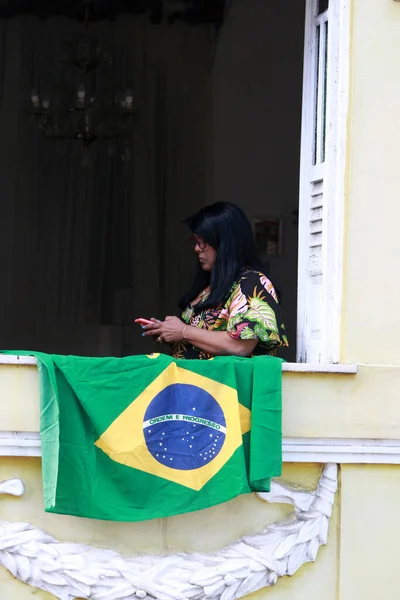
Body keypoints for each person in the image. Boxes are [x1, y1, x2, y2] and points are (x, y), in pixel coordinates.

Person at [142, 202, 288, 359]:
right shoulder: (209, 285)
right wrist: (167, 330)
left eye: (202, 242)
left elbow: (239, 346)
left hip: (224, 383)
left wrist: (183, 331)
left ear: (224, 242)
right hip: (193, 382)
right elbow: (200, 341)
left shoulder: (252, 282)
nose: (197, 248)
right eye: (195, 241)